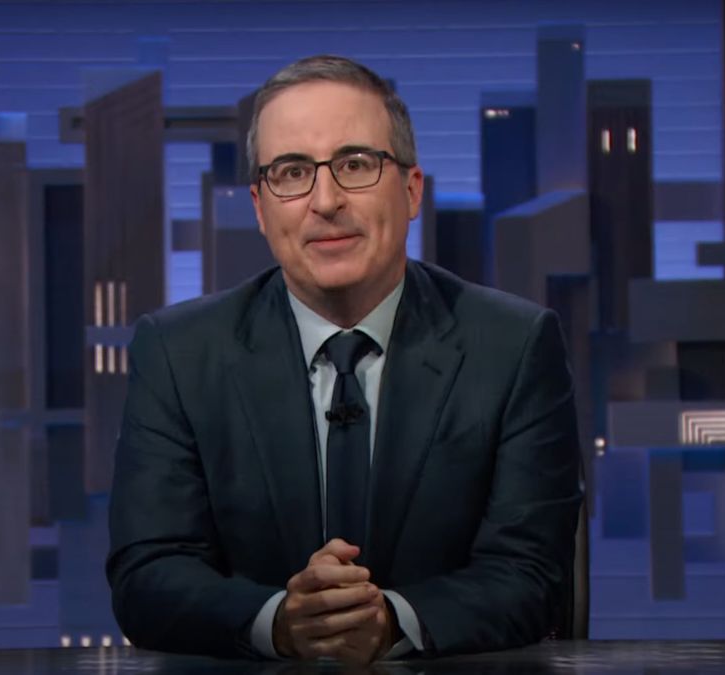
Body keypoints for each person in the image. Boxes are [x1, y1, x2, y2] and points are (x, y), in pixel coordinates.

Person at [106, 54, 582, 665]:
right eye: (291, 172)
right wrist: (279, 621)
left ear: (411, 190)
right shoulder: (177, 354)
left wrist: (389, 623)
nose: (324, 199)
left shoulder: (515, 346)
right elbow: (148, 574)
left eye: (355, 164)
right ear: (259, 206)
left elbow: (531, 576)